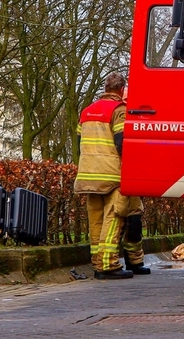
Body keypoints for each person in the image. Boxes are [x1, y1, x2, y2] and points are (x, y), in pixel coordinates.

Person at [74, 72, 150, 279]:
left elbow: (80, 143)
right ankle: (109, 265)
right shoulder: (119, 110)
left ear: (105, 88)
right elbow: (121, 143)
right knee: (114, 216)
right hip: (112, 175)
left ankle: (98, 264)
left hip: (88, 174)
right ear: (121, 90)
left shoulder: (87, 111)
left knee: (95, 220)